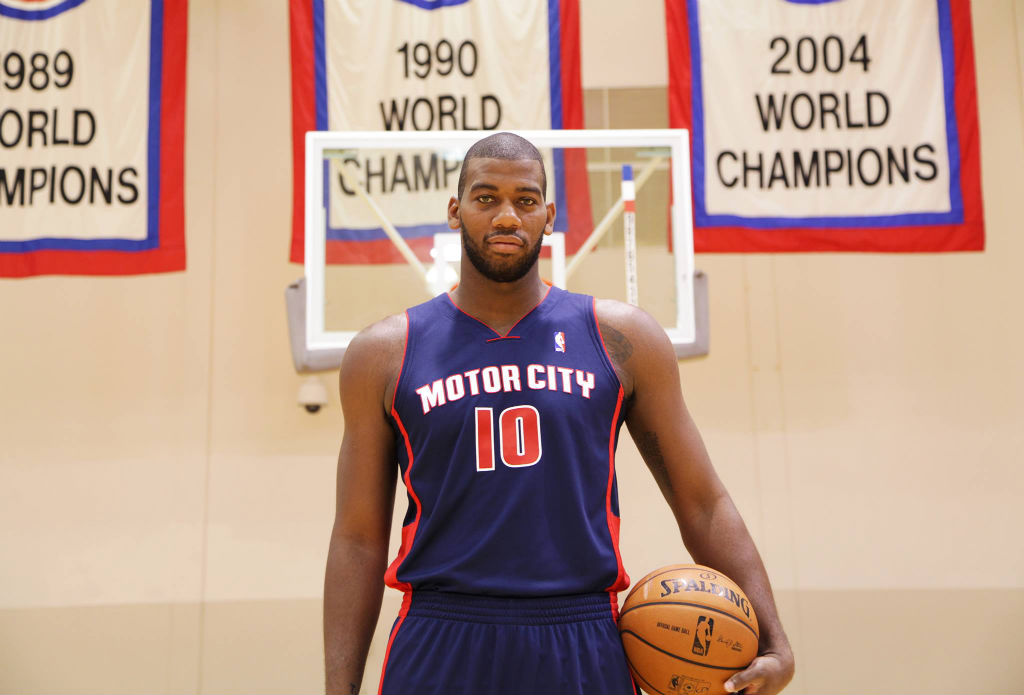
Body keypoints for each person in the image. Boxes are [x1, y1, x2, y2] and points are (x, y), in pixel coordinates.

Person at [324, 132, 795, 695]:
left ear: (548, 216)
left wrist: (775, 641)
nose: (506, 215)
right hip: (441, 633)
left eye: (525, 200)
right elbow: (357, 538)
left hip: (580, 634)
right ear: (454, 211)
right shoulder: (385, 353)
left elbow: (703, 502)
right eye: (485, 197)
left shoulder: (622, 339)